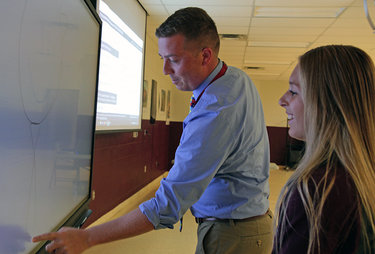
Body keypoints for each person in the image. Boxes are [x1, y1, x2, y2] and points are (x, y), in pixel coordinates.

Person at [33, 7, 272, 254]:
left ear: (205, 56)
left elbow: (167, 206)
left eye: (174, 60)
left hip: (233, 234)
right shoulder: (234, 79)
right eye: (163, 59)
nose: (165, 70)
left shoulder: (216, 110)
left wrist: (88, 237)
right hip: (242, 225)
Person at [274, 45, 375, 253]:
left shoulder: (319, 188)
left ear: (325, 104)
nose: (281, 100)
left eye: (293, 92)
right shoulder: (362, 178)